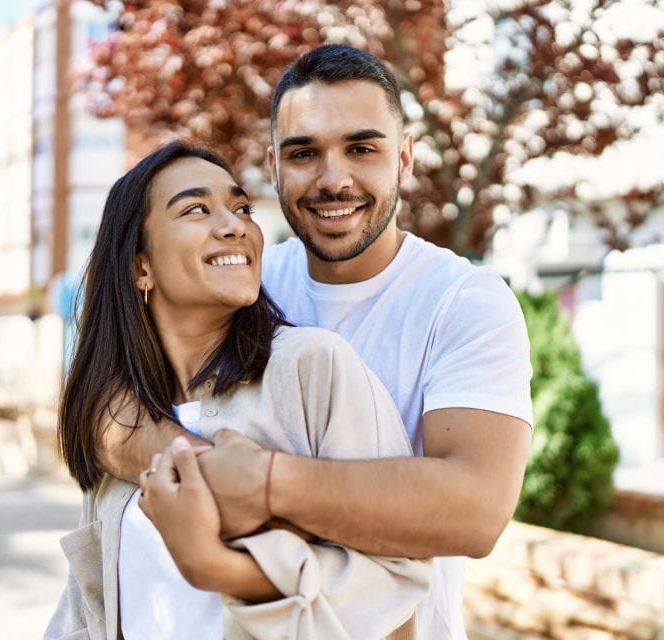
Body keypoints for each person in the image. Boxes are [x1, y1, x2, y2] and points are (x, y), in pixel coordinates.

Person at [99, 45, 534, 639]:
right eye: (305, 154)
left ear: (403, 157)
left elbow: (477, 511)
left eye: (362, 148)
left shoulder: (463, 302)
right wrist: (204, 472)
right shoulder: (245, 279)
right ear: (274, 167)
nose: (334, 179)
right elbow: (106, 400)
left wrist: (266, 483)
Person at [45, 140, 431, 640]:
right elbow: (90, 611)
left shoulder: (310, 367)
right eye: (196, 209)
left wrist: (218, 565)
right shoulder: (121, 420)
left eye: (240, 207)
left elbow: (390, 593)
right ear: (141, 267)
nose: (234, 225)